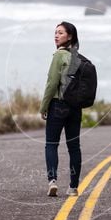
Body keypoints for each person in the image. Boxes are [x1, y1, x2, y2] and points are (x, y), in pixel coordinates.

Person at [40, 21, 82, 197]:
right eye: (55, 33)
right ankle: (73, 187)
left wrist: (43, 106)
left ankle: (52, 181)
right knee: (74, 147)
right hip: (75, 108)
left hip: (58, 105)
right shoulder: (78, 57)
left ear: (70, 36)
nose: (56, 35)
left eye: (61, 33)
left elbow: (52, 84)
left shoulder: (59, 56)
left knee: (51, 144)